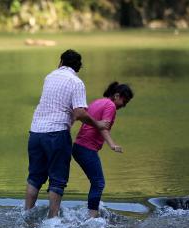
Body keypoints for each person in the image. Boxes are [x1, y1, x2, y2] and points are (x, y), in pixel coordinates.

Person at [24, 49, 110, 218]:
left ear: (61, 62)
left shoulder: (50, 77)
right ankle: (52, 219)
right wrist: (98, 124)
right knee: (57, 179)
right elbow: (79, 113)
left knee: (35, 176)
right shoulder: (76, 82)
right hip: (56, 134)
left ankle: (26, 214)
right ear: (78, 67)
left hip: (35, 132)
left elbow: (57, 105)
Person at [72, 82, 134, 218]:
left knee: (96, 182)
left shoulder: (99, 101)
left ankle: (91, 212)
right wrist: (112, 144)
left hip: (78, 147)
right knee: (98, 183)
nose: (124, 105)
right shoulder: (110, 106)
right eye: (125, 100)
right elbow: (103, 127)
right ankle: (92, 217)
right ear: (117, 96)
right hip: (86, 148)